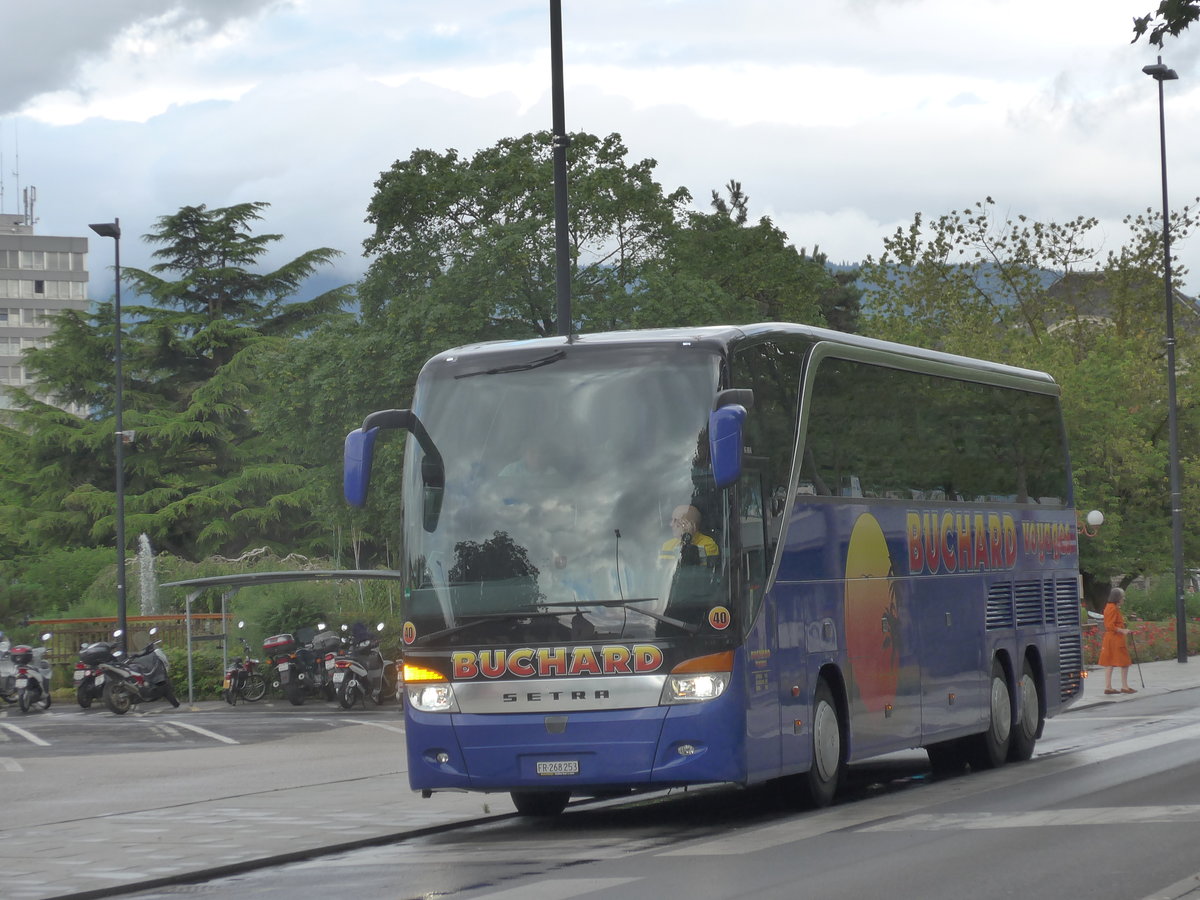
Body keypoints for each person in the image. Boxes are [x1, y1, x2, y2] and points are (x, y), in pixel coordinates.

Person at [1099, 586, 1136, 695]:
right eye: (1122, 597)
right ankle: (1124, 686)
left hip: (1110, 638)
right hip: (1115, 638)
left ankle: (1108, 687)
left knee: (1109, 662)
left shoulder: (1110, 607)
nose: (1123, 599)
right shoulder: (1112, 608)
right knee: (1124, 662)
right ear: (1118, 598)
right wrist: (1123, 630)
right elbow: (1109, 625)